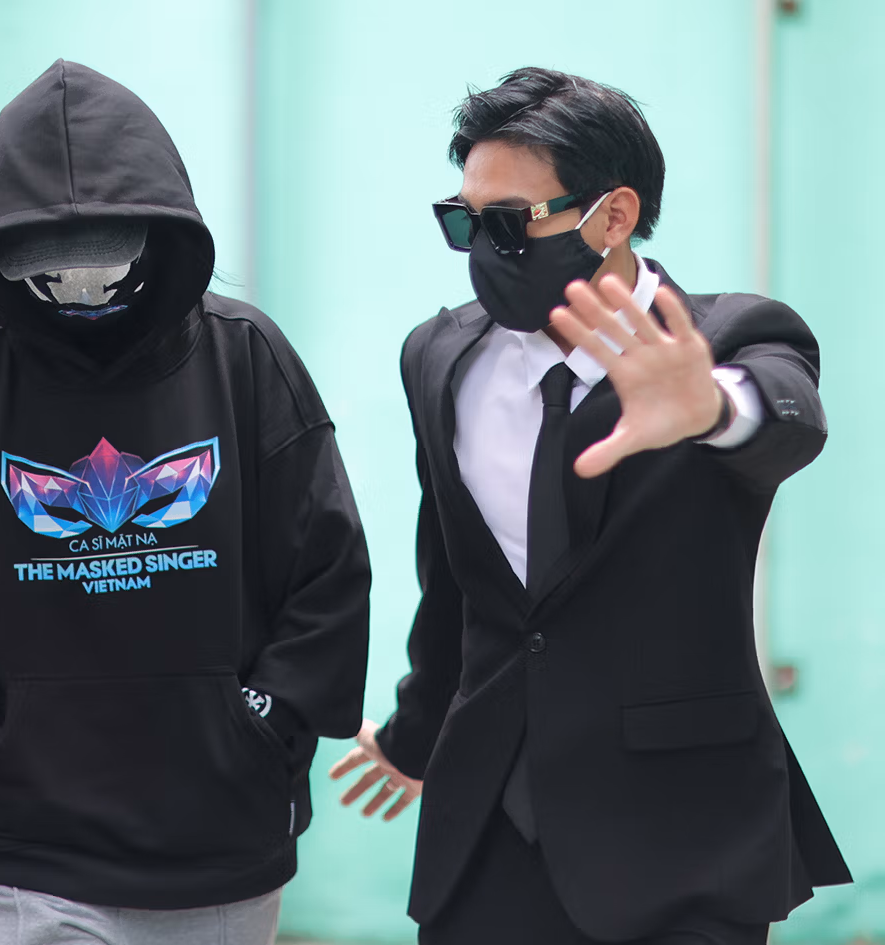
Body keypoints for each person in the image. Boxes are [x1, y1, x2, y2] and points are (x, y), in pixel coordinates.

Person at [0, 60, 371, 945]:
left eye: (105, 263)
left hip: (222, 844)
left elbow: (328, 573)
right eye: (50, 270)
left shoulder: (247, 356)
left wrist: (265, 723)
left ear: (158, 240)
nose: (82, 290)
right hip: (27, 850)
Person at [328, 67, 850, 944]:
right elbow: (455, 576)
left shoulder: (728, 338)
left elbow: (789, 420)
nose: (484, 248)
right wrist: (417, 728)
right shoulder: (438, 357)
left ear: (612, 217)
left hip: (682, 829)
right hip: (488, 818)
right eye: (464, 223)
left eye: (509, 223)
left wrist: (712, 409)